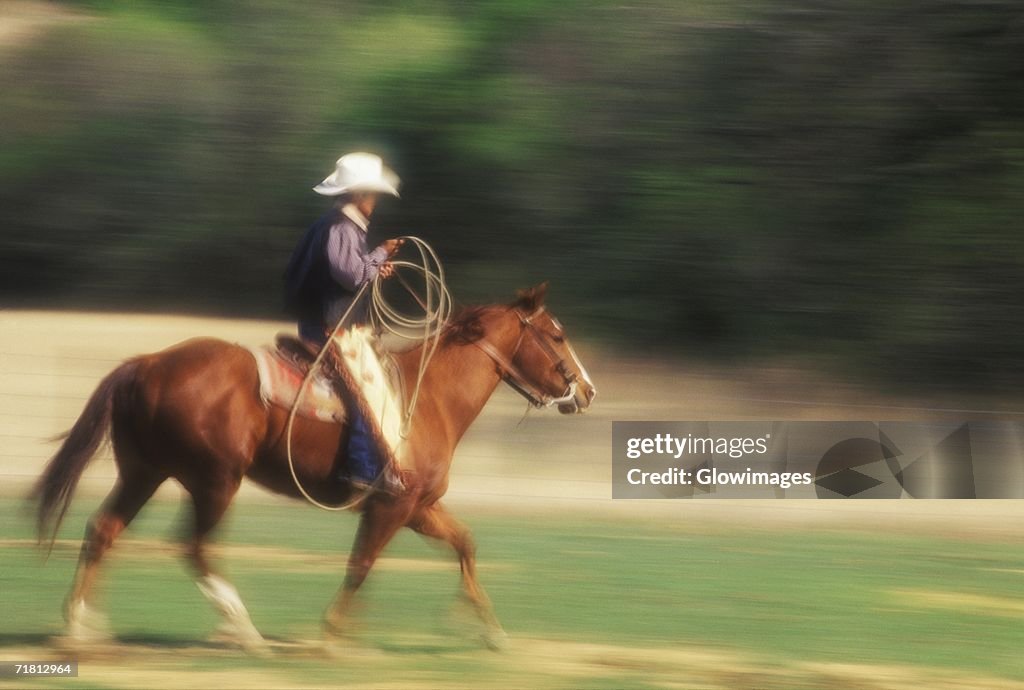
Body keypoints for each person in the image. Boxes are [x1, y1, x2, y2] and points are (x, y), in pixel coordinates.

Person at [285, 152, 405, 496]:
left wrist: (374, 263)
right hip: (327, 327)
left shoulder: (341, 226)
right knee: (365, 392)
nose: (375, 202)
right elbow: (352, 276)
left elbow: (352, 270)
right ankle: (364, 471)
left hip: (330, 323)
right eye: (373, 196)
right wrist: (380, 254)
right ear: (359, 194)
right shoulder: (340, 227)